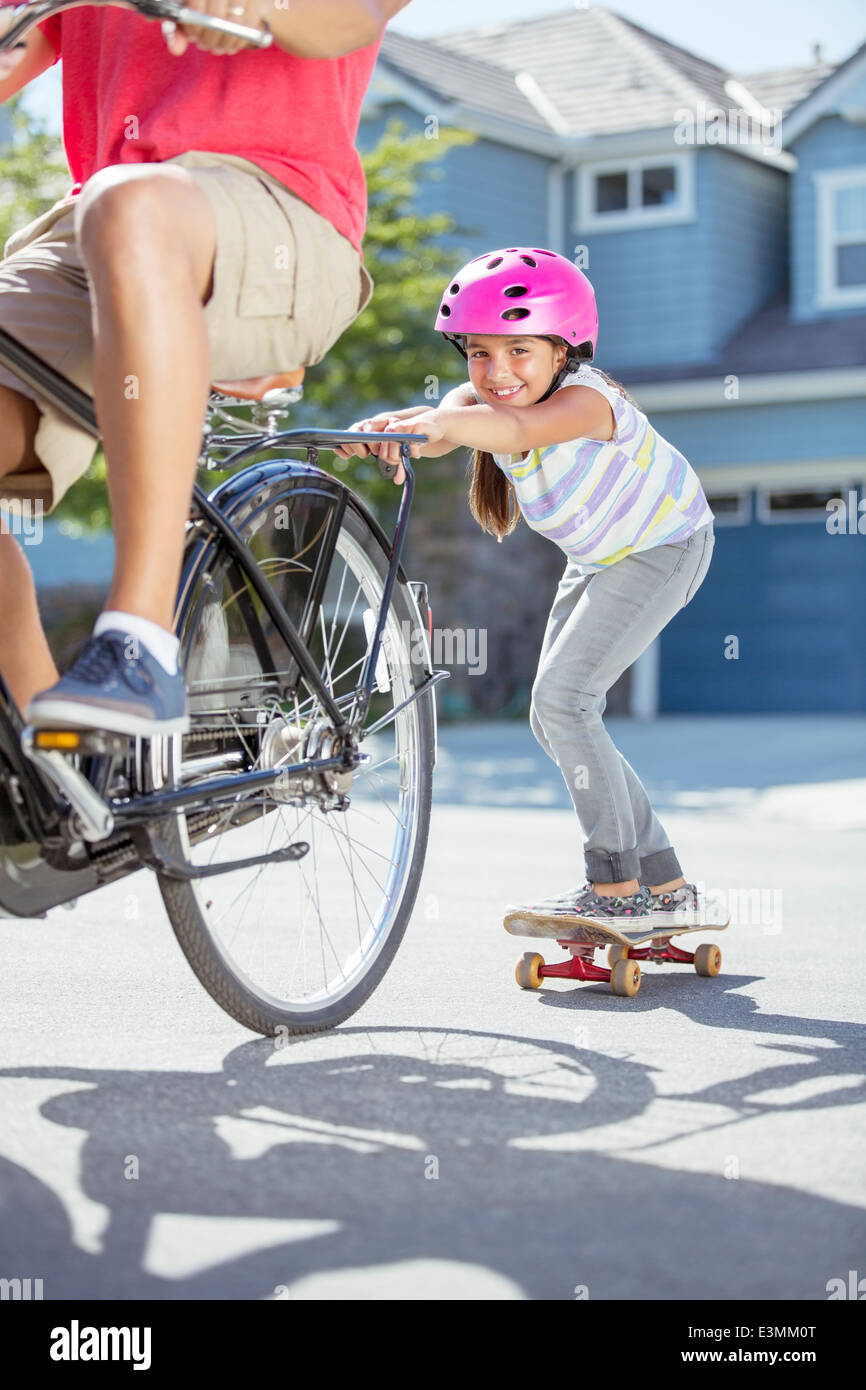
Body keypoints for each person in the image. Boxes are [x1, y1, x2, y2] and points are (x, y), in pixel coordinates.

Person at [0, 0, 409, 737]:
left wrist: (260, 6)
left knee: (131, 208)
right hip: (95, 224)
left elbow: (356, 14)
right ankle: (49, 793)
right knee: (120, 206)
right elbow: (19, 38)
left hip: (282, 204)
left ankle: (139, 641)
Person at [337, 246, 717, 927]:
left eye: (519, 350)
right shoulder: (477, 403)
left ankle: (615, 888)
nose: (497, 372)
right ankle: (665, 883)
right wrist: (387, 431)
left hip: (666, 546)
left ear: (563, 350)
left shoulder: (587, 402)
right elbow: (451, 423)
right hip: (598, 556)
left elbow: (511, 428)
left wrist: (442, 426)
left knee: (565, 701)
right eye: (479, 354)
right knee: (555, 714)